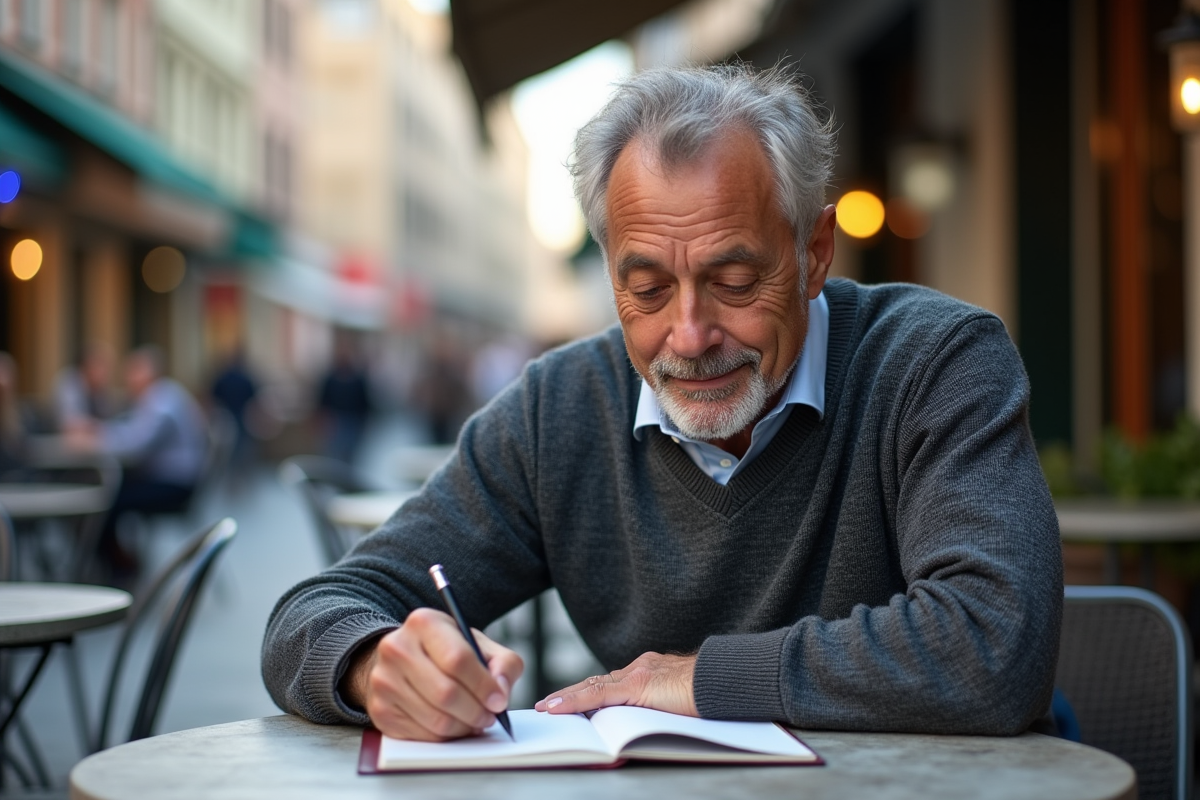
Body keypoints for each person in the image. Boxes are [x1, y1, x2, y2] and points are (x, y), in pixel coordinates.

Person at [262, 64, 1061, 742]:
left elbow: (997, 644)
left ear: (813, 253)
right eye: (645, 290)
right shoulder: (560, 410)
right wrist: (375, 665)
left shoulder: (936, 362)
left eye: (735, 282)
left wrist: (701, 680)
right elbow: (312, 612)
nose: (688, 335)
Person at [69, 346, 208, 575]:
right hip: (172, 478)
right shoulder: (161, 395)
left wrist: (96, 439)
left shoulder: (162, 400)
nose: (128, 378)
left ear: (148, 373)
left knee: (109, 502)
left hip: (175, 485)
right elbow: (132, 432)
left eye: (133, 371)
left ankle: (116, 568)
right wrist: (101, 432)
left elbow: (136, 446)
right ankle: (116, 563)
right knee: (111, 495)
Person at [315, 336, 372, 463]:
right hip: (335, 423)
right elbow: (323, 401)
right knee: (333, 458)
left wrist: (363, 424)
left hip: (352, 423)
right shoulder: (330, 378)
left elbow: (365, 403)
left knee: (349, 458)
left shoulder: (358, 378)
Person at [55, 343, 118, 431]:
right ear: (88, 366)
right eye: (102, 367)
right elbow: (69, 423)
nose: (106, 373)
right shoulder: (69, 383)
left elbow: (107, 419)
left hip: (89, 441)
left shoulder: (99, 389)